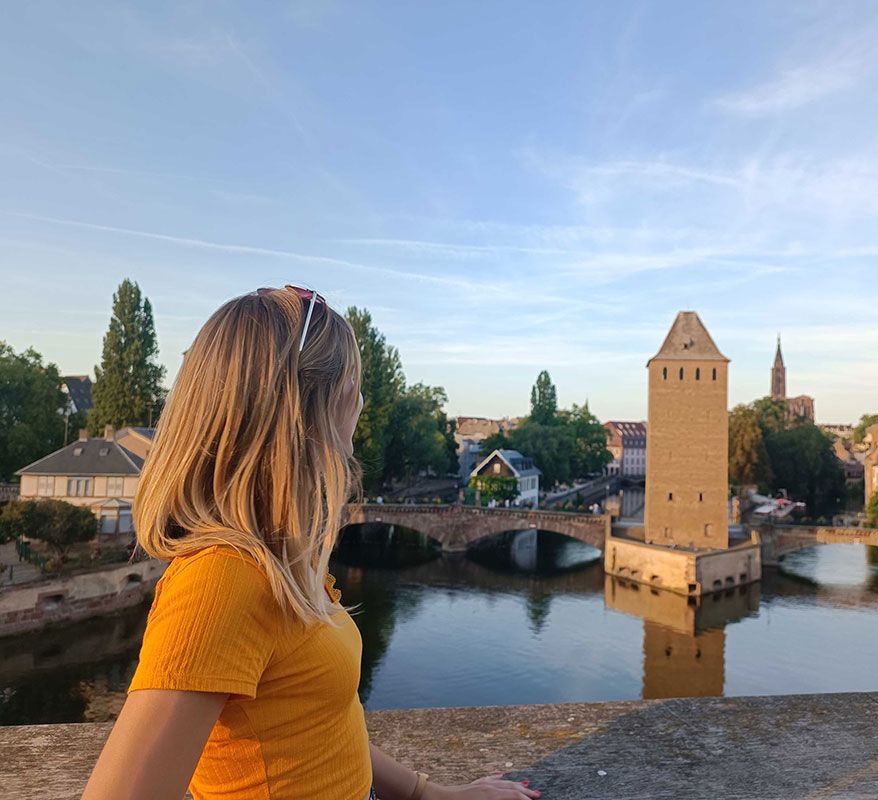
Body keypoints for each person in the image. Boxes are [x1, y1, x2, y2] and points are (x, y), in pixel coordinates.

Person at [82, 286, 541, 800]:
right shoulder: (219, 581)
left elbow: (314, 716)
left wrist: (429, 793)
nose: (363, 402)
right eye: (354, 383)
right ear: (306, 404)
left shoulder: (277, 556)